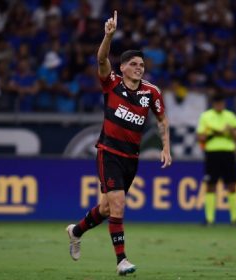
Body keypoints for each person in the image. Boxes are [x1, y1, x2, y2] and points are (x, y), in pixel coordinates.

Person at [66, 11, 172, 276]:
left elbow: (161, 120)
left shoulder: (152, 92)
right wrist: (108, 35)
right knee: (118, 204)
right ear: (122, 67)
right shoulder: (111, 83)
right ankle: (121, 260)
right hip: (108, 152)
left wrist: (166, 147)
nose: (139, 68)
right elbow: (101, 59)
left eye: (141, 65)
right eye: (134, 64)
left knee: (105, 208)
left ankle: (76, 230)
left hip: (131, 158)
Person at [197, 93, 236, 226]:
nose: (220, 106)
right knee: (211, 185)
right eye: (217, 103)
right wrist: (213, 133)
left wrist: (231, 130)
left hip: (228, 153)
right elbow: (200, 137)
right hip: (212, 153)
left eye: (222, 103)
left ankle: (235, 218)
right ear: (213, 104)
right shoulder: (205, 116)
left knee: (232, 184)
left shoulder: (230, 116)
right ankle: (209, 219)